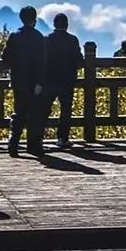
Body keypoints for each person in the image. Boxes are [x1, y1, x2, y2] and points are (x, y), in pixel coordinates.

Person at [1, 6, 46, 157]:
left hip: (18, 81)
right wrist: (40, 82)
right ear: (34, 19)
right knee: (35, 114)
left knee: (19, 112)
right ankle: (33, 146)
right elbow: (42, 62)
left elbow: (5, 58)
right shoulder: (39, 37)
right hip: (34, 83)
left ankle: (13, 144)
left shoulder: (14, 36)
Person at [36, 12, 83, 150]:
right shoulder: (73, 40)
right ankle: (62, 138)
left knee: (44, 110)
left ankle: (38, 138)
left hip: (49, 80)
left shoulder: (47, 39)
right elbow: (79, 61)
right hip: (67, 81)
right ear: (67, 25)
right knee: (66, 110)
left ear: (54, 25)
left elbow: (41, 60)